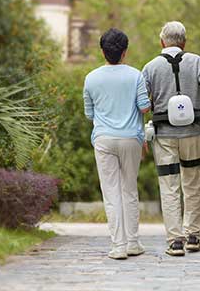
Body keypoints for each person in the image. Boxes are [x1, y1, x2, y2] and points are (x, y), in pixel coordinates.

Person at [142, 21, 200, 257]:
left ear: (161, 42)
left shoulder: (150, 67)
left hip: (164, 135)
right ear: (184, 42)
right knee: (192, 181)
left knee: (169, 185)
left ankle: (175, 240)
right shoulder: (196, 61)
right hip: (193, 132)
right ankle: (193, 236)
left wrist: (141, 132)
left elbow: (143, 103)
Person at [83, 28, 151, 260]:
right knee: (129, 189)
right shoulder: (136, 75)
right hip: (131, 138)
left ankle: (118, 246)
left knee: (111, 192)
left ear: (102, 51)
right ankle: (133, 243)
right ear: (125, 52)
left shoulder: (91, 78)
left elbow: (89, 114)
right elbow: (144, 107)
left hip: (103, 139)